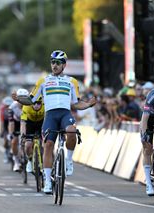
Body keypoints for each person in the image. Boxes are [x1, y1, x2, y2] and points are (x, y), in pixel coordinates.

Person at [12, 50, 96, 194]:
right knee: (49, 145)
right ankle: (47, 182)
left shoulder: (71, 81)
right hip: (50, 116)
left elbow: (76, 103)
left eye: (57, 63)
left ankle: (69, 161)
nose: (54, 65)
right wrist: (19, 99)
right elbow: (31, 100)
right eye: (52, 62)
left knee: (71, 131)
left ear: (64, 65)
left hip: (65, 114)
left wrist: (88, 104)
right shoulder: (43, 81)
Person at [20, 96, 45, 173]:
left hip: (41, 123)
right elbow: (23, 123)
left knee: (46, 144)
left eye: (38, 103)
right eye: (34, 103)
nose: (36, 105)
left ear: (41, 103)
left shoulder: (45, 106)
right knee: (28, 145)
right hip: (30, 124)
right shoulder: (26, 107)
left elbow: (48, 121)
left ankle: (46, 164)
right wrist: (23, 135)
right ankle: (30, 161)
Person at [8, 99, 23, 172]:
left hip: (26, 122)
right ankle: (16, 162)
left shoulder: (29, 105)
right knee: (14, 141)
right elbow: (11, 122)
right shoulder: (12, 106)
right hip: (16, 123)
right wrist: (11, 134)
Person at [0, 96, 14, 163]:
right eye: (6, 106)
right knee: (5, 140)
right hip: (5, 123)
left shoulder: (13, 108)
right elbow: (1, 121)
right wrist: (1, 131)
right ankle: (6, 154)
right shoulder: (2, 109)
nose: (8, 107)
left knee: (13, 139)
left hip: (13, 123)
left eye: (9, 106)